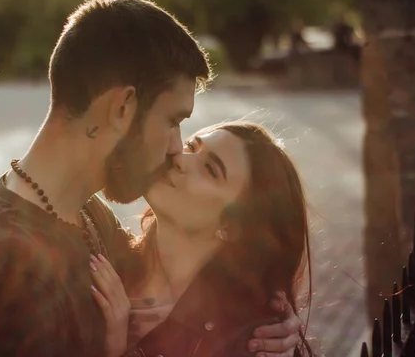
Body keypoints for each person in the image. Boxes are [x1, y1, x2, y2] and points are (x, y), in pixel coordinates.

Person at [0, 0, 303, 356]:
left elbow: (189, 273)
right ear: (122, 108)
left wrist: (264, 310)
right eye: (173, 121)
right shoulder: (6, 277)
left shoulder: (91, 220)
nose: (176, 148)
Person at [90, 121, 313, 356]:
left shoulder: (245, 339)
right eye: (190, 146)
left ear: (233, 225)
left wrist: (114, 349)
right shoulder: (103, 247)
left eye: (210, 169)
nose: (179, 159)